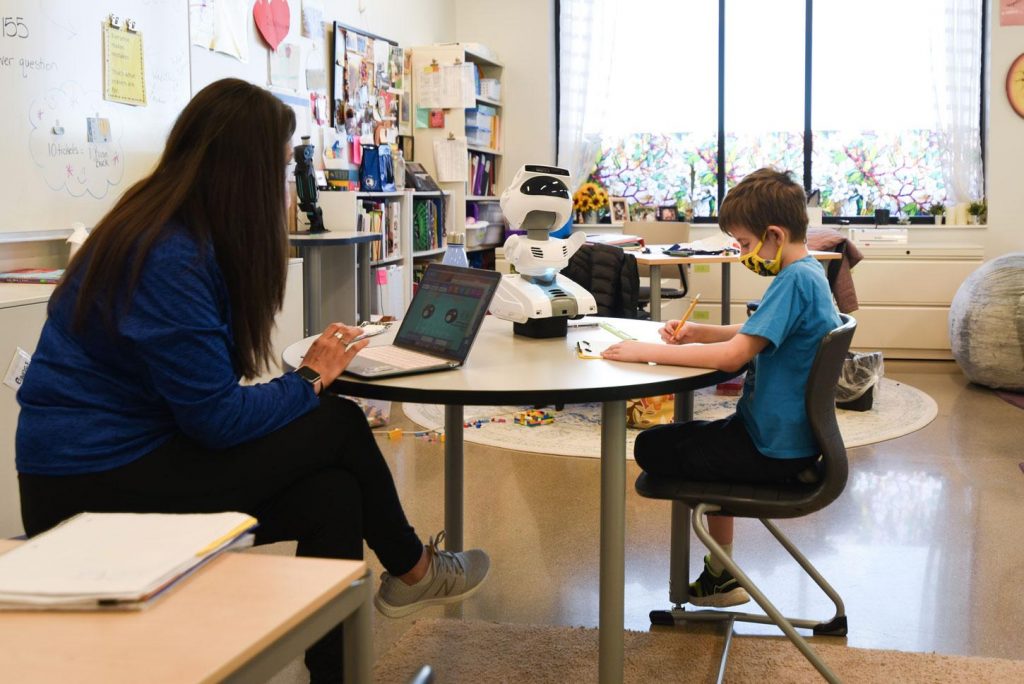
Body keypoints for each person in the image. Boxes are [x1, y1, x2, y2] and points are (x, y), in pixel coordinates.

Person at [15, 79, 489, 683]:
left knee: (334, 496)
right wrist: (310, 379)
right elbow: (214, 421)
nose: (289, 181)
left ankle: (348, 660)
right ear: (245, 170)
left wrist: (305, 383)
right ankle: (415, 571)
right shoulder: (170, 255)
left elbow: (202, 407)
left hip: (125, 462)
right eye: (284, 164)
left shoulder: (165, 227)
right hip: (86, 488)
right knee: (338, 419)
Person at [601, 168, 841, 607]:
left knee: (651, 448)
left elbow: (734, 357)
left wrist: (645, 352)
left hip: (769, 450)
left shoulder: (794, 281)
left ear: (774, 234)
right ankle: (721, 574)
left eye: (746, 244)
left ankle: (721, 573)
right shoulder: (808, 275)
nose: (743, 253)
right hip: (783, 443)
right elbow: (754, 331)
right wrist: (697, 332)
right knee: (697, 440)